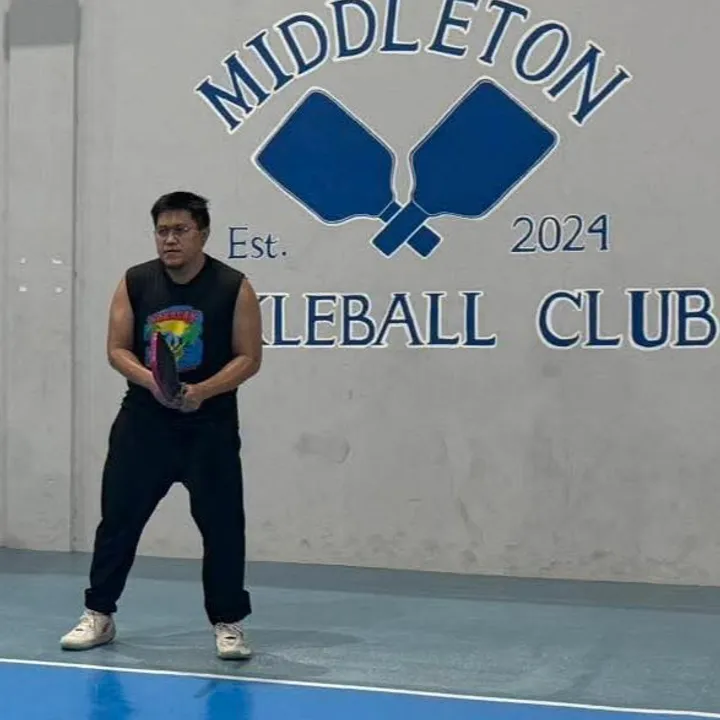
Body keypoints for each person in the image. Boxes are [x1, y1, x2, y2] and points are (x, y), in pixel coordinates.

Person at [60, 191, 262, 660]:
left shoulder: (234, 286)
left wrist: (202, 391)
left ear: (202, 234)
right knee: (118, 522)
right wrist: (153, 382)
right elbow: (117, 349)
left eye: (180, 230)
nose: (170, 240)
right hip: (143, 425)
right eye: (162, 231)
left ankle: (228, 622)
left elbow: (249, 357)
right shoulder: (135, 282)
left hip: (209, 427)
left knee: (223, 527)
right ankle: (99, 614)